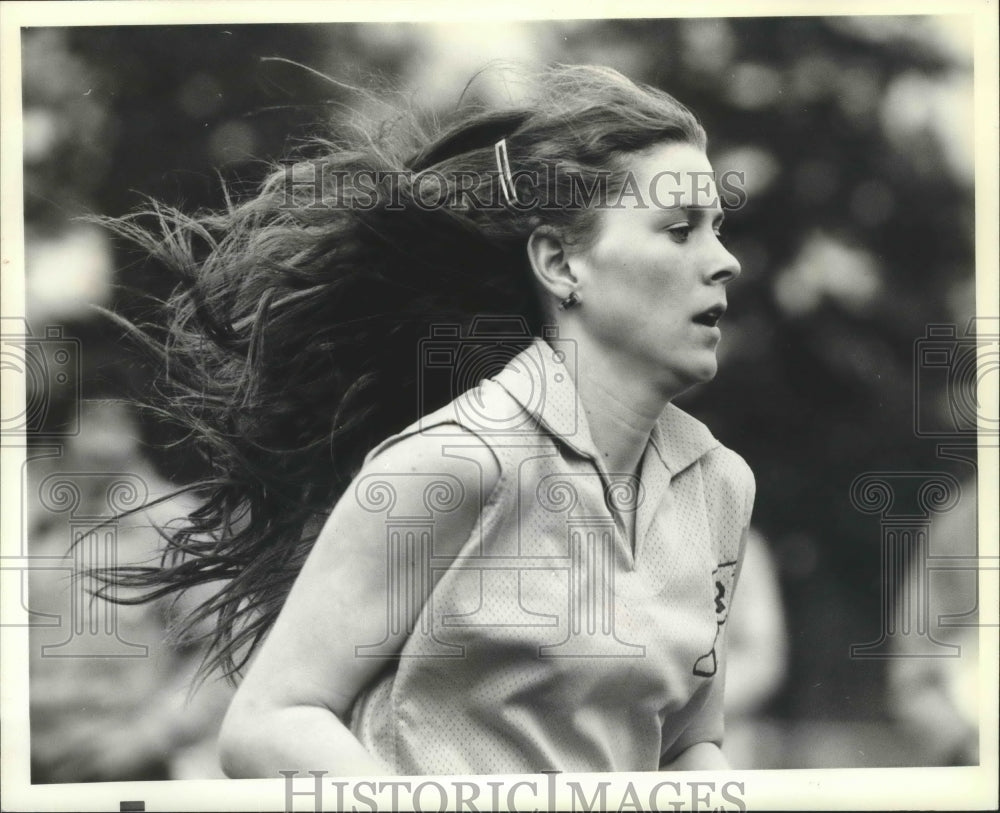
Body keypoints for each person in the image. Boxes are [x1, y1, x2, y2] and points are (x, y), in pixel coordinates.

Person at [100, 63, 753, 776]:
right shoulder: (455, 461)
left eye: (718, 228)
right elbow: (269, 722)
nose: (725, 262)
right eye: (680, 229)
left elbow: (690, 741)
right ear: (562, 263)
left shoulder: (719, 487)